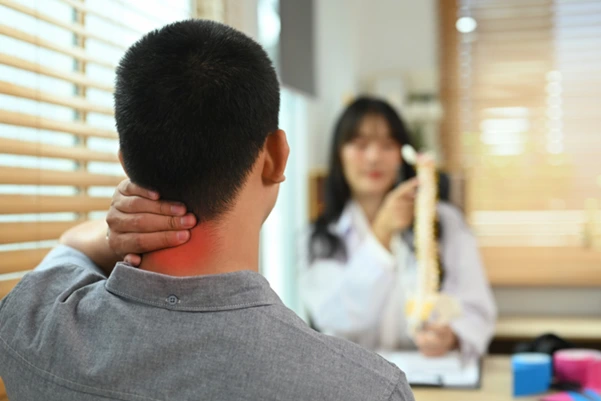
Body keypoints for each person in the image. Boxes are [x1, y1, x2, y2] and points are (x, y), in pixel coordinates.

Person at [0, 21, 414, 401]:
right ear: (276, 156)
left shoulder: (27, 329)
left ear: (126, 163)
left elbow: (69, 248)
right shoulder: (367, 389)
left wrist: (111, 237)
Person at [299, 97, 496, 359]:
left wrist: (452, 336)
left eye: (387, 145)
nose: (373, 157)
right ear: (339, 154)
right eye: (360, 144)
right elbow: (334, 319)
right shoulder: (318, 239)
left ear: (402, 155)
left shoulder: (446, 223)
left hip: (432, 377)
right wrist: (381, 233)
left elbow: (478, 309)